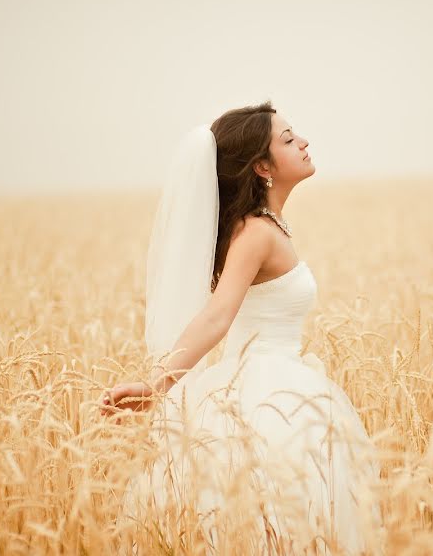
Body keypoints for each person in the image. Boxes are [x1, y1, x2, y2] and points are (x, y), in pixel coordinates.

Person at [102, 103, 381, 554]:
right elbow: (218, 314)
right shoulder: (257, 232)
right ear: (263, 167)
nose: (304, 141)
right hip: (270, 397)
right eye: (288, 139)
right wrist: (158, 386)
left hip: (277, 385)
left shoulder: (265, 226)